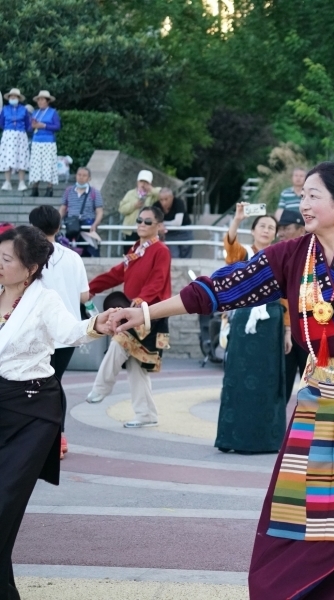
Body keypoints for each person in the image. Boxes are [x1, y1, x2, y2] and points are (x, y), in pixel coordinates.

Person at [109, 156, 334, 599]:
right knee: (295, 505)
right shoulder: (292, 255)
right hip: (321, 389)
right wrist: (145, 312)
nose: (304, 204)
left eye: (313, 196)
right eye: (302, 196)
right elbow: (221, 287)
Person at [0, 225, 114, 600]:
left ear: (30, 268)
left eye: (6, 259)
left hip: (33, 411)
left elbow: (69, 332)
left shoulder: (44, 300)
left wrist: (97, 323)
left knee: (4, 504)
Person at [84, 205, 171, 428]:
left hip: (149, 314)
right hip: (135, 311)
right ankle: (146, 415)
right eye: (139, 220)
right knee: (136, 364)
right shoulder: (136, 249)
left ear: (158, 226)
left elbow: (158, 280)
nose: (141, 224)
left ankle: (101, 388)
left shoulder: (160, 250)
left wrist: (141, 300)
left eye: (147, 221)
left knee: (119, 341)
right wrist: (90, 288)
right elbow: (116, 274)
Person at [216, 204, 285, 453]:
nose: (266, 230)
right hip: (244, 321)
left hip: (273, 323)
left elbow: (287, 295)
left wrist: (288, 330)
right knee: (237, 379)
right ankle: (233, 438)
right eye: (262, 226)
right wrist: (237, 219)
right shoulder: (243, 253)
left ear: (275, 233)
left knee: (268, 381)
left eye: (271, 227)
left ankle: (265, 440)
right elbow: (229, 244)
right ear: (253, 230)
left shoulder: (280, 257)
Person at [28, 205, 90, 459]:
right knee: (54, 383)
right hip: (68, 332)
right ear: (58, 226)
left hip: (38, 332)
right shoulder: (73, 257)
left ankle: (48, 438)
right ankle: (57, 436)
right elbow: (84, 295)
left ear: (32, 227)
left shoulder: (28, 256)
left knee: (39, 386)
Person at [275, 209, 309, 405]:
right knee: (281, 387)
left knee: (312, 387)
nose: (280, 233)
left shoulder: (315, 254)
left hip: (310, 331)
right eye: (279, 228)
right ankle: (277, 424)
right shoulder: (277, 255)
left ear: (301, 230)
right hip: (283, 330)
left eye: (286, 228)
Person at [59, 167, 104, 257]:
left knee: (89, 252)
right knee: (70, 253)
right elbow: (63, 208)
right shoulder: (68, 191)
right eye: (79, 175)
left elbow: (99, 211)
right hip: (71, 226)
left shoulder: (94, 192)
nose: (81, 177)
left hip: (87, 226)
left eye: (84, 175)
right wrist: (58, 221)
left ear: (89, 178)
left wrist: (95, 224)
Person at [27, 91, 61, 198]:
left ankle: (49, 188)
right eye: (39, 100)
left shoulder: (53, 112)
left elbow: (57, 126)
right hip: (36, 141)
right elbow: (29, 128)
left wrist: (44, 125)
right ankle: (35, 188)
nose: (40, 102)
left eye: (42, 99)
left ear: (47, 101)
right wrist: (32, 126)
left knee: (48, 164)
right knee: (35, 164)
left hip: (48, 141)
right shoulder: (35, 113)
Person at [0, 88, 29, 192]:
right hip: (8, 135)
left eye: (15, 96)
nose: (13, 98)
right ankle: (7, 181)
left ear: (18, 98)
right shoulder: (5, 109)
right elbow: (1, 123)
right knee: (7, 157)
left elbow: (28, 123)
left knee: (21, 157)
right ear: (8, 98)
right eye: (11, 96)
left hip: (21, 135)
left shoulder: (24, 109)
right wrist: (10, 129)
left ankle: (21, 182)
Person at [118, 170, 160, 241]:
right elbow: (121, 209)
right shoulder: (130, 193)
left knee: (146, 248)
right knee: (130, 248)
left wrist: (151, 189)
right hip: (131, 231)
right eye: (141, 181)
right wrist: (134, 205)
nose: (143, 184)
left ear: (150, 184)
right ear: (137, 182)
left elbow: (162, 194)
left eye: (146, 182)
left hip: (147, 230)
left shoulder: (152, 195)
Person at [156, 187, 193, 259]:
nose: (163, 202)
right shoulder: (156, 206)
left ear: (172, 197)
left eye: (166, 199)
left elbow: (177, 223)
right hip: (170, 234)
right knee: (174, 256)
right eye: (161, 200)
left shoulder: (178, 202)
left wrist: (163, 223)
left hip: (185, 232)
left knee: (186, 257)